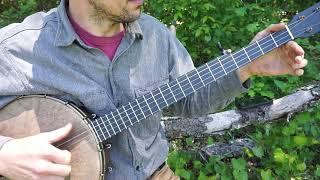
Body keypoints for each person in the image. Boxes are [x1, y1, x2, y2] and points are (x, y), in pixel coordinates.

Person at [0, 0, 307, 179]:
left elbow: (188, 101)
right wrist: (4, 152)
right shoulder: (16, 49)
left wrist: (247, 67)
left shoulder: (156, 35)